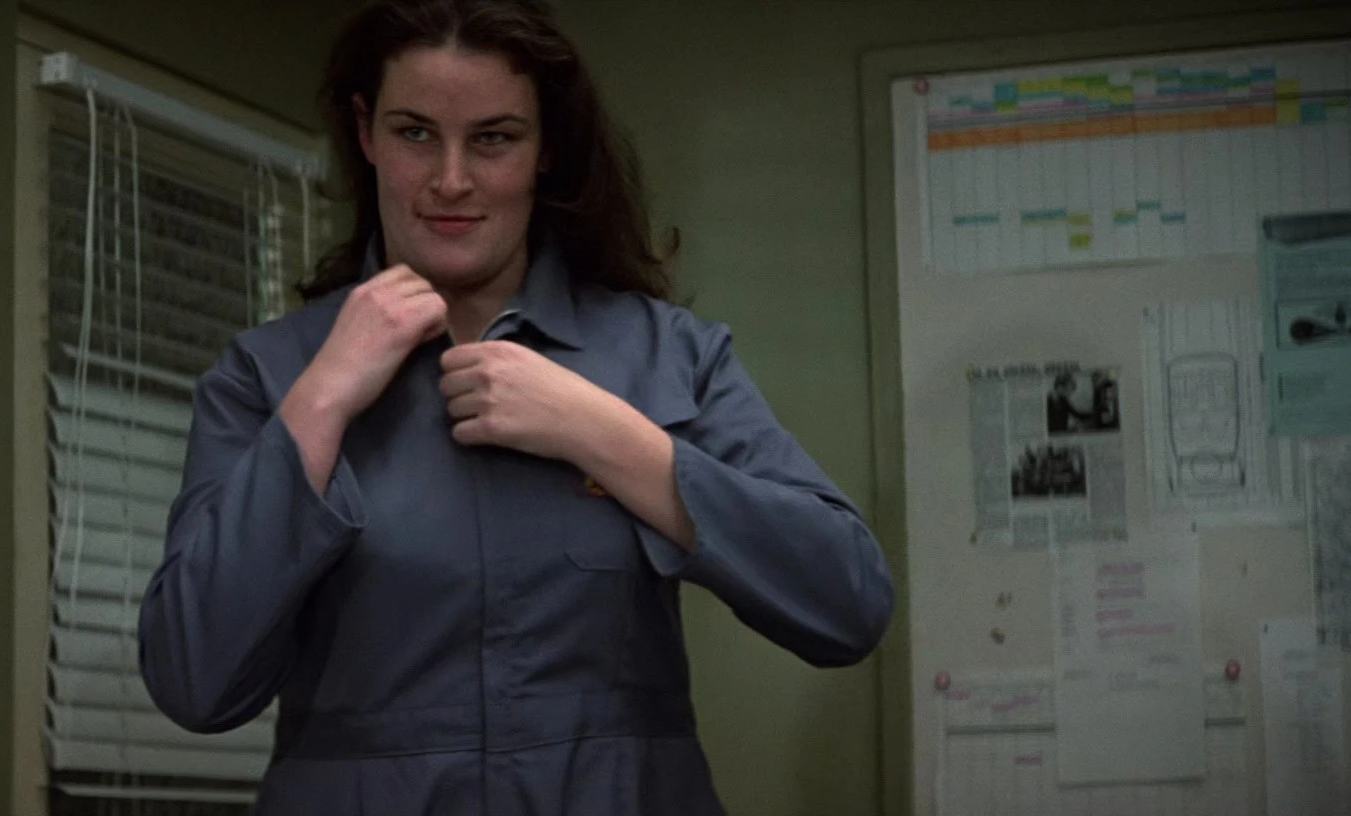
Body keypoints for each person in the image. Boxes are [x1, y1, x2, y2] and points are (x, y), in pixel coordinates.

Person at [136, 1, 895, 812]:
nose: (451, 180)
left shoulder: (669, 356)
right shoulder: (268, 374)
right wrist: (321, 399)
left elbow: (847, 603)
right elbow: (191, 680)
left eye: (493, 138)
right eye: (415, 133)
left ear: (546, 148)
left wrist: (604, 435)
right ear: (366, 134)